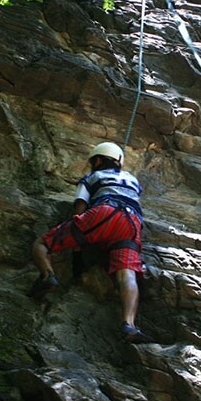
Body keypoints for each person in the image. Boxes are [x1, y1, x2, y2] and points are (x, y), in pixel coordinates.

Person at [29, 142, 153, 343]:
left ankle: (47, 276)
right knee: (127, 274)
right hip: (132, 223)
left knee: (41, 244)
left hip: (104, 212)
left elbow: (80, 208)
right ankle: (129, 325)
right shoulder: (132, 179)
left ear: (97, 160)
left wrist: (76, 237)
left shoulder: (91, 177)